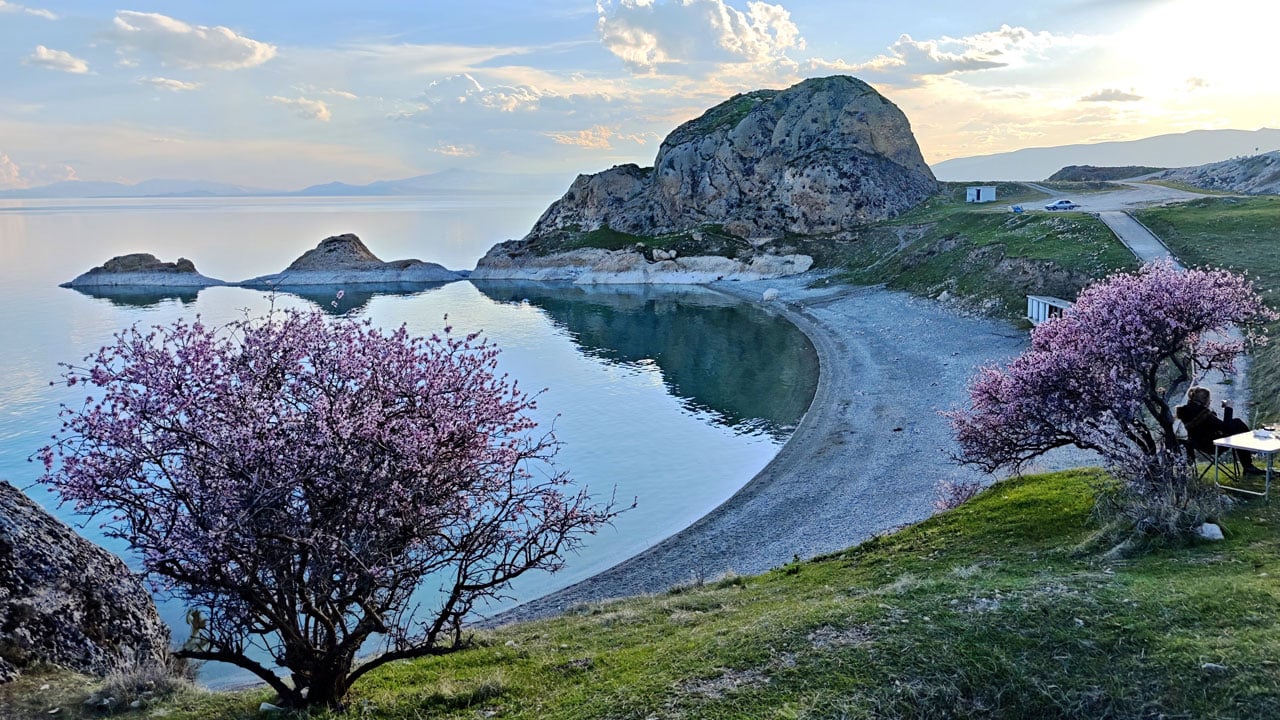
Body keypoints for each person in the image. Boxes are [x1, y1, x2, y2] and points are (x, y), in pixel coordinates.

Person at [1175, 386, 1265, 475]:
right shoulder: (1203, 414)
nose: (1210, 402)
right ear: (1205, 400)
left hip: (1199, 444)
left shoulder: (1187, 411)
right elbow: (1226, 427)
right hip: (1212, 445)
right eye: (1209, 400)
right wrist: (1228, 408)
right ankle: (1248, 464)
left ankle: (1248, 463)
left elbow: (1210, 427)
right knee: (1237, 424)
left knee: (1236, 425)